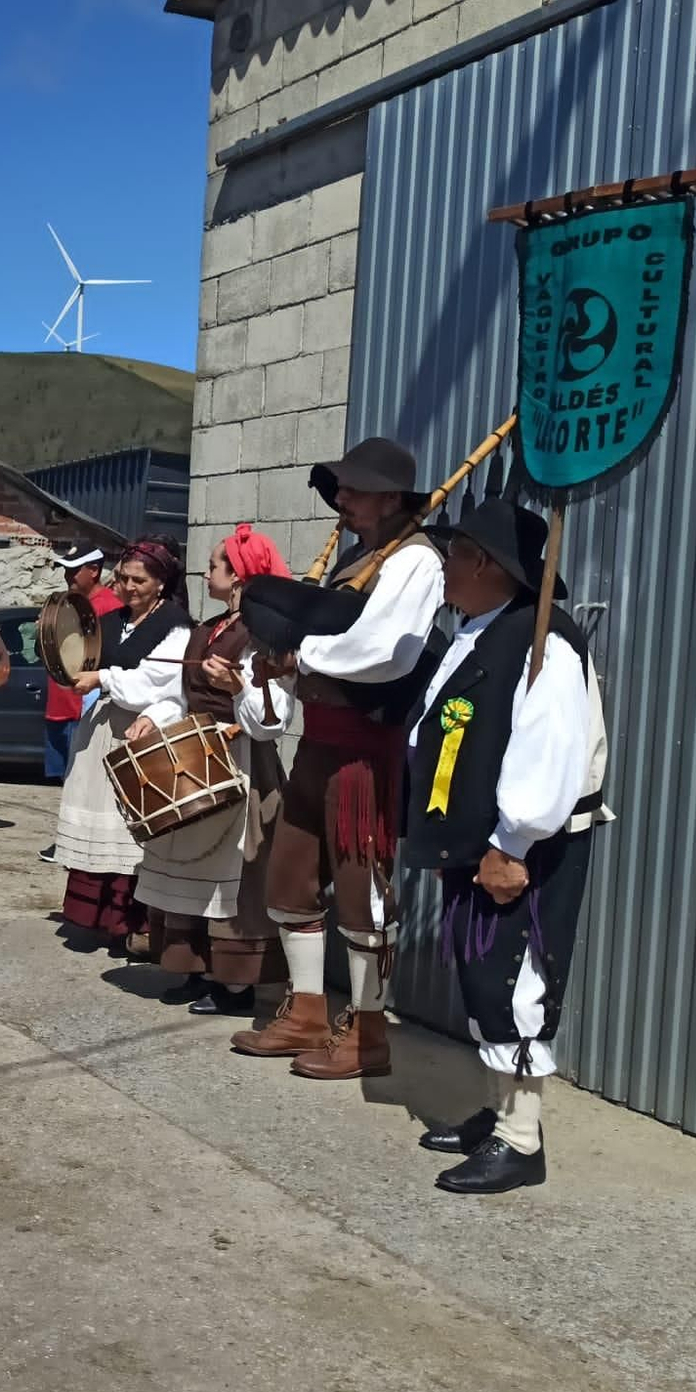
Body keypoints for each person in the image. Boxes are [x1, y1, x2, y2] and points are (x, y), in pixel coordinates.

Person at [402, 497, 601, 1194]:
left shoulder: (545, 639)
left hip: (521, 847)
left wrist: (511, 840)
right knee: (483, 979)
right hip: (480, 842)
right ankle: (497, 1112)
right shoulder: (485, 628)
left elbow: (550, 751)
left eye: (452, 554)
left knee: (516, 984)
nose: (444, 567)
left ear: (483, 562)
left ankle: (522, 1140)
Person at [238, 437, 445, 1080]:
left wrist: (304, 655)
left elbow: (387, 651)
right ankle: (304, 1011)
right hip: (320, 742)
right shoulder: (360, 557)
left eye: (355, 488)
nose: (343, 499)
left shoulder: (417, 561)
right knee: (290, 878)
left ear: (391, 498)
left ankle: (369, 1033)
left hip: (365, 751)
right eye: (342, 488)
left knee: (363, 895)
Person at [134, 525, 291, 1015]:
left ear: (241, 575)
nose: (207, 572)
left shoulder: (263, 636)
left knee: (235, 877)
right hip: (195, 757)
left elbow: (274, 720)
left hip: (240, 766)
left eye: (216, 565)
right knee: (191, 866)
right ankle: (197, 967)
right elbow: (178, 695)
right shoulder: (210, 628)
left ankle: (236, 984)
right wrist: (152, 716)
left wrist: (239, 690)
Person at [53, 538, 192, 954]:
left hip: (140, 734)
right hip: (101, 731)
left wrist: (103, 679)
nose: (129, 586)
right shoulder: (112, 621)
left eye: (139, 580)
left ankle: (130, 923)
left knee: (129, 829)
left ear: (162, 584)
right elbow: (85, 660)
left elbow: (155, 683)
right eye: (124, 578)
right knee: (96, 818)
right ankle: (93, 917)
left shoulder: (176, 627)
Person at [40, 546, 122, 862]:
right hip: (59, 704)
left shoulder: (109, 607)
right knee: (67, 779)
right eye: (66, 569)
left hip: (82, 705)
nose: (67, 575)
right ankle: (67, 837)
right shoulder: (72, 603)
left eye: (75, 569)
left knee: (83, 779)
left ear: (95, 570)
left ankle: (78, 841)